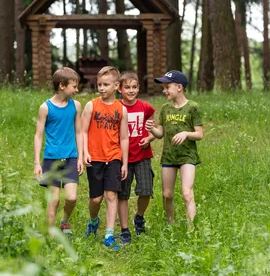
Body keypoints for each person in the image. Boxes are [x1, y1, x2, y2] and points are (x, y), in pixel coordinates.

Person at [145, 70, 203, 230]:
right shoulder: (165, 108)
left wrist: (186, 133)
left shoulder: (193, 107)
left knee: (186, 192)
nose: (164, 90)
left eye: (167, 87)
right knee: (167, 194)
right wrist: (151, 129)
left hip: (187, 157)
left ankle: (192, 229)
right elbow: (160, 133)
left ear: (179, 87)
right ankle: (170, 224)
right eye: (163, 87)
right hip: (169, 157)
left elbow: (199, 134)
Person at [82, 66, 129, 250]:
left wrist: (124, 162)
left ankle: (109, 235)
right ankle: (94, 221)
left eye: (106, 85)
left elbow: (124, 138)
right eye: (99, 84)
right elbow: (83, 131)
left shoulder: (121, 110)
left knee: (111, 195)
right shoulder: (91, 105)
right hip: (95, 157)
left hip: (114, 157)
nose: (101, 88)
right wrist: (85, 152)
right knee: (95, 199)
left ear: (116, 86)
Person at [33, 67, 84, 236]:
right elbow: (38, 136)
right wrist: (37, 163)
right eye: (74, 86)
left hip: (71, 157)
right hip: (51, 159)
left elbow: (79, 132)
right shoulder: (45, 108)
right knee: (53, 200)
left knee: (71, 198)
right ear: (62, 85)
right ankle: (50, 234)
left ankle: (64, 222)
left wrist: (80, 157)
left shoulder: (76, 106)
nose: (77, 90)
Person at [117, 71, 156, 244]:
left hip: (142, 155)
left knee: (146, 190)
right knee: (122, 195)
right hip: (122, 157)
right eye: (127, 87)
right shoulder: (117, 108)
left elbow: (154, 128)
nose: (131, 90)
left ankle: (139, 218)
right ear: (119, 89)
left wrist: (149, 138)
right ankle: (125, 230)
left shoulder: (146, 107)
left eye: (134, 87)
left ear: (138, 88)